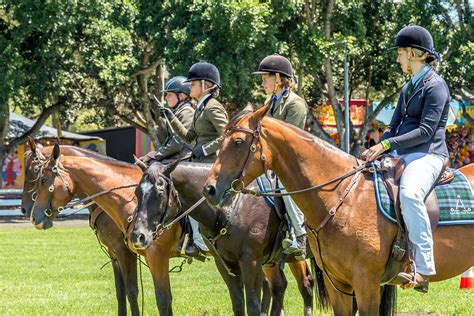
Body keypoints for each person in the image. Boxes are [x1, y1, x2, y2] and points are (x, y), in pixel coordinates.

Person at [362, 24, 450, 293]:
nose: (398, 58)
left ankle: (423, 267)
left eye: (400, 53)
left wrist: (388, 143)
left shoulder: (436, 86)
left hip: (428, 154)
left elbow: (425, 131)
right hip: (402, 154)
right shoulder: (407, 87)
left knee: (410, 194)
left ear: (415, 53)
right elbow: (393, 125)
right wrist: (380, 147)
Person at [160, 61, 229, 257]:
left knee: (184, 191)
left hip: (210, 162)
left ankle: (200, 241)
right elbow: (188, 137)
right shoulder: (200, 106)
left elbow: (227, 135)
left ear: (206, 85)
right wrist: (170, 117)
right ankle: (189, 237)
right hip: (198, 160)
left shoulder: (212, 107)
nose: (189, 87)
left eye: (193, 84)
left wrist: (205, 149)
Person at [253, 54, 308, 260]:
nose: (262, 82)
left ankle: (300, 235)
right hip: (270, 162)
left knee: (285, 186)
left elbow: (289, 141)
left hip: (290, 163)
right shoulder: (269, 102)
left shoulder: (295, 104)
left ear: (278, 77)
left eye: (265, 77)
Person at [139, 76, 195, 164]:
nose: (166, 97)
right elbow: (170, 141)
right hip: (176, 157)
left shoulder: (187, 112)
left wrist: (157, 155)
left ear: (181, 96)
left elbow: (177, 144)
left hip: (184, 159)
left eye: (169, 94)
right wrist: (154, 154)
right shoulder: (178, 112)